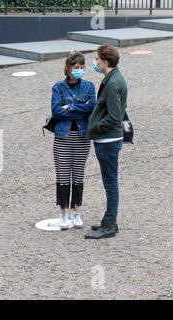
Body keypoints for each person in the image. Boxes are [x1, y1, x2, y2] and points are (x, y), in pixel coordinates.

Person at [85, 44, 127, 240]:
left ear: (106, 61)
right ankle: (109, 221)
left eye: (97, 59)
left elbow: (114, 117)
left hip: (108, 140)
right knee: (110, 182)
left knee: (110, 183)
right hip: (108, 139)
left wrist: (94, 127)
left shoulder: (112, 83)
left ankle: (109, 223)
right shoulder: (113, 78)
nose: (95, 62)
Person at [51, 51, 96, 230]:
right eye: (76, 67)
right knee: (62, 176)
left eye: (82, 67)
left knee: (78, 175)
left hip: (82, 136)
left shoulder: (89, 86)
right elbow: (56, 110)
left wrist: (69, 106)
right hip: (63, 136)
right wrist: (80, 108)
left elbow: (92, 106)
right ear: (68, 68)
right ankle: (63, 214)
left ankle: (76, 212)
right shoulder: (58, 87)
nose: (79, 70)